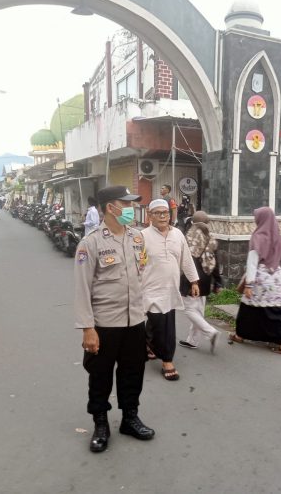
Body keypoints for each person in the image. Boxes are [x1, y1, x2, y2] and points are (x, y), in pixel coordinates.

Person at [74, 185, 155, 454]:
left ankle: (130, 418)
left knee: (133, 372)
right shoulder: (91, 243)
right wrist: (88, 328)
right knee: (100, 376)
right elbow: (82, 289)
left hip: (134, 321)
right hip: (105, 324)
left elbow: (141, 273)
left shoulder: (136, 238)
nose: (131, 208)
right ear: (111, 207)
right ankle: (100, 423)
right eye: (126, 203)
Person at [141, 199, 199, 381]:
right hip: (149, 288)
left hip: (171, 288)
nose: (162, 216)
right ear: (150, 216)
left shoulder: (178, 235)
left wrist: (194, 281)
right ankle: (167, 360)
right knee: (162, 324)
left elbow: (186, 259)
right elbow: (135, 263)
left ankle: (151, 346)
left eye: (165, 212)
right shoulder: (142, 236)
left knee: (160, 321)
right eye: (157, 213)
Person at [229, 207, 281, 355]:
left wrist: (249, 284)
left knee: (247, 308)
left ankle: (240, 334)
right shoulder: (278, 237)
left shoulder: (258, 236)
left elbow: (252, 262)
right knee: (276, 309)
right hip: (275, 277)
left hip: (260, 277)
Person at [178, 211, 222, 353]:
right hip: (206, 277)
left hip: (192, 277)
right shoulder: (211, 237)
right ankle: (193, 341)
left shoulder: (190, 236)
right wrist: (218, 282)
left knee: (189, 309)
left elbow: (185, 260)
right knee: (199, 310)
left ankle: (210, 332)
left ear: (193, 222)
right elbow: (215, 261)